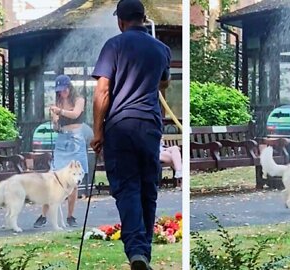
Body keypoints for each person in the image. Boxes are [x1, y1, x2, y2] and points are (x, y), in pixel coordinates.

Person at [89, 0, 171, 269]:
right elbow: (164, 82)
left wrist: (98, 132)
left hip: (120, 127)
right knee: (148, 189)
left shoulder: (114, 45)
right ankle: (143, 254)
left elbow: (102, 91)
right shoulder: (162, 49)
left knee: (127, 188)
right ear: (144, 18)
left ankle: (136, 251)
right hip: (149, 126)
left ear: (120, 21)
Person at [34, 74, 88, 228]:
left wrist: (60, 111)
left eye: (64, 90)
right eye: (59, 91)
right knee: (53, 178)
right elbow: (56, 126)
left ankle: (71, 216)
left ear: (69, 88)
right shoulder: (58, 101)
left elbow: (75, 114)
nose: (62, 93)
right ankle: (43, 215)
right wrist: (55, 120)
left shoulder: (79, 100)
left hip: (76, 139)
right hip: (62, 139)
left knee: (74, 180)